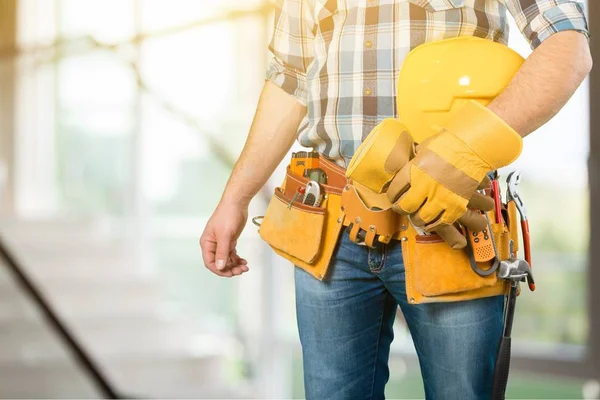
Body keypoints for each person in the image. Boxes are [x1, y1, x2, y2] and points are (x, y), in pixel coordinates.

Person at [200, 1, 592, 399]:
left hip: (449, 227)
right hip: (330, 228)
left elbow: (568, 47)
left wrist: (464, 152)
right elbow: (290, 78)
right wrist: (235, 198)